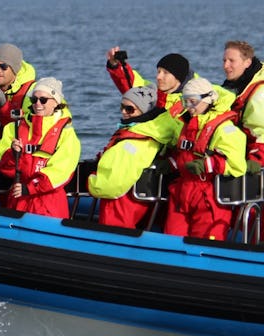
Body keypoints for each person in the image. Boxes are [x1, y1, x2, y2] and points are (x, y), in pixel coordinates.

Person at [163, 77, 247, 240]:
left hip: (208, 195)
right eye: (185, 102)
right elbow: (184, 152)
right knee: (171, 239)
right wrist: (171, 164)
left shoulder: (225, 130)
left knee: (203, 243)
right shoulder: (187, 124)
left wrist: (206, 164)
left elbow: (237, 165)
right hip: (182, 192)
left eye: (192, 102)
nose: (188, 107)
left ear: (207, 100)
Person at [88, 86, 177, 229]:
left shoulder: (133, 143)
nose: (124, 112)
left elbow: (111, 186)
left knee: (113, 239)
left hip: (119, 204)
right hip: (134, 201)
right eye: (122, 107)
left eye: (129, 109)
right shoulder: (149, 135)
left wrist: (92, 181)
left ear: (144, 111)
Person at [0, 77, 81, 218]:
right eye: (34, 100)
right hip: (18, 197)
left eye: (43, 100)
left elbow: (60, 171)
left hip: (48, 204)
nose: (38, 104)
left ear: (55, 102)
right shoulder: (14, 127)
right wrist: (12, 154)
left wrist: (30, 188)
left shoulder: (66, 134)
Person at [105, 48, 194, 121]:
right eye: (158, 71)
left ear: (179, 77)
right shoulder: (151, 92)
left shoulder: (189, 104)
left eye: (165, 73)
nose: (158, 77)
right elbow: (131, 82)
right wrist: (115, 65)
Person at [221, 40, 264, 173]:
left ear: (247, 63)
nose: (225, 66)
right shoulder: (236, 85)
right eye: (224, 61)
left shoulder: (259, 95)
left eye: (231, 61)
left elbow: (260, 132)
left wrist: (256, 159)